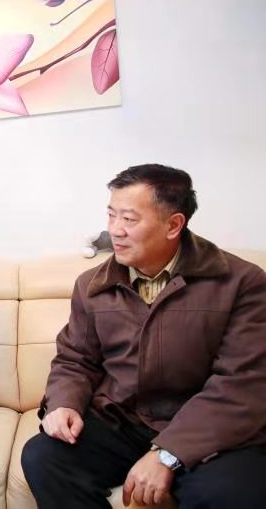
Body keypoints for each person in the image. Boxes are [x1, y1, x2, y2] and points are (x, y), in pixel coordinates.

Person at [22, 164, 266, 508]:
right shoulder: (92, 285)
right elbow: (76, 359)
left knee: (233, 492)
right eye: (111, 215)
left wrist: (168, 453)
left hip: (202, 429)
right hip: (123, 422)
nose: (115, 230)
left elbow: (242, 384)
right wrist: (64, 402)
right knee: (44, 457)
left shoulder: (242, 283)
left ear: (173, 225)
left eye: (129, 219)